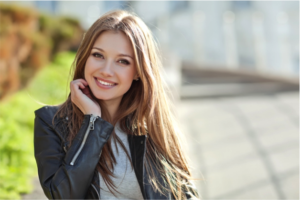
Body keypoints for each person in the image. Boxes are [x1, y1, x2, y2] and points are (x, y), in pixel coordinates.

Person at [34, 10, 199, 200]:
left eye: (122, 61)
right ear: (85, 58)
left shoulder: (151, 125)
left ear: (138, 71)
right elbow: (63, 195)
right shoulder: (52, 122)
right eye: (98, 55)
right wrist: (93, 122)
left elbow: (185, 193)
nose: (106, 71)